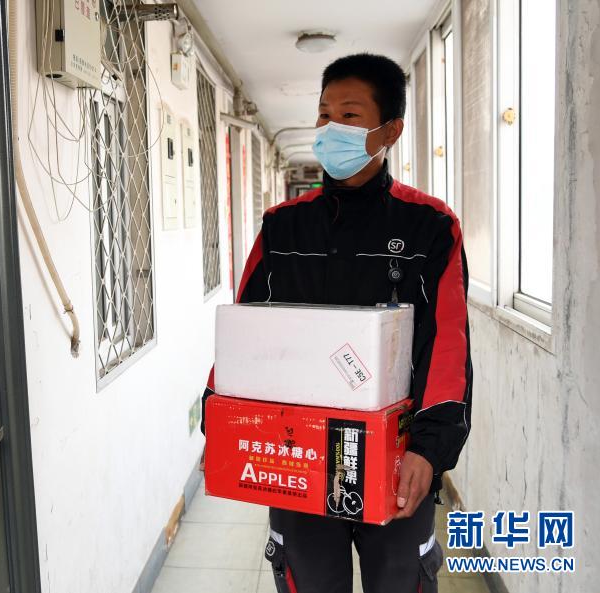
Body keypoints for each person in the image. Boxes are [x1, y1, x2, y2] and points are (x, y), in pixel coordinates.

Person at [199, 53, 472, 593]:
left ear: (389, 131)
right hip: (298, 452)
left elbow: (447, 347)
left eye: (349, 115)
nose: (329, 128)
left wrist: (428, 448)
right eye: (324, 114)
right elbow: (243, 338)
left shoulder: (430, 228)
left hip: (396, 460)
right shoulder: (283, 228)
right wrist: (220, 420)